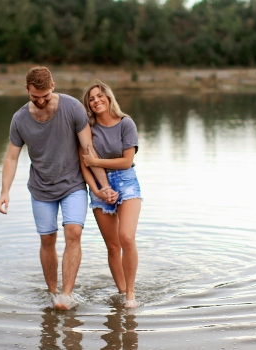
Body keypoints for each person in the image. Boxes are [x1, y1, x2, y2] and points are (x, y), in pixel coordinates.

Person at [0, 67, 116, 310]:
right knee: (47, 239)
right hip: (40, 188)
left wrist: (103, 187)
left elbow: (88, 150)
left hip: (72, 184)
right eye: (34, 97)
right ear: (26, 89)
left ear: (53, 87)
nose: (40, 101)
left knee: (74, 232)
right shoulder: (19, 119)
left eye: (45, 96)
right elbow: (11, 157)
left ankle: (66, 295)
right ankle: (53, 293)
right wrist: (4, 191)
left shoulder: (72, 108)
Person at [79, 80, 142, 308]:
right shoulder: (87, 129)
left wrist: (97, 161)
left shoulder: (126, 124)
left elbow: (127, 161)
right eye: (91, 99)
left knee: (126, 237)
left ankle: (131, 295)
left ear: (108, 97)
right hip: (98, 186)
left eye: (99, 96)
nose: (96, 101)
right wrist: (97, 190)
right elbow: (84, 164)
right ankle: (122, 290)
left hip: (126, 182)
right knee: (113, 246)